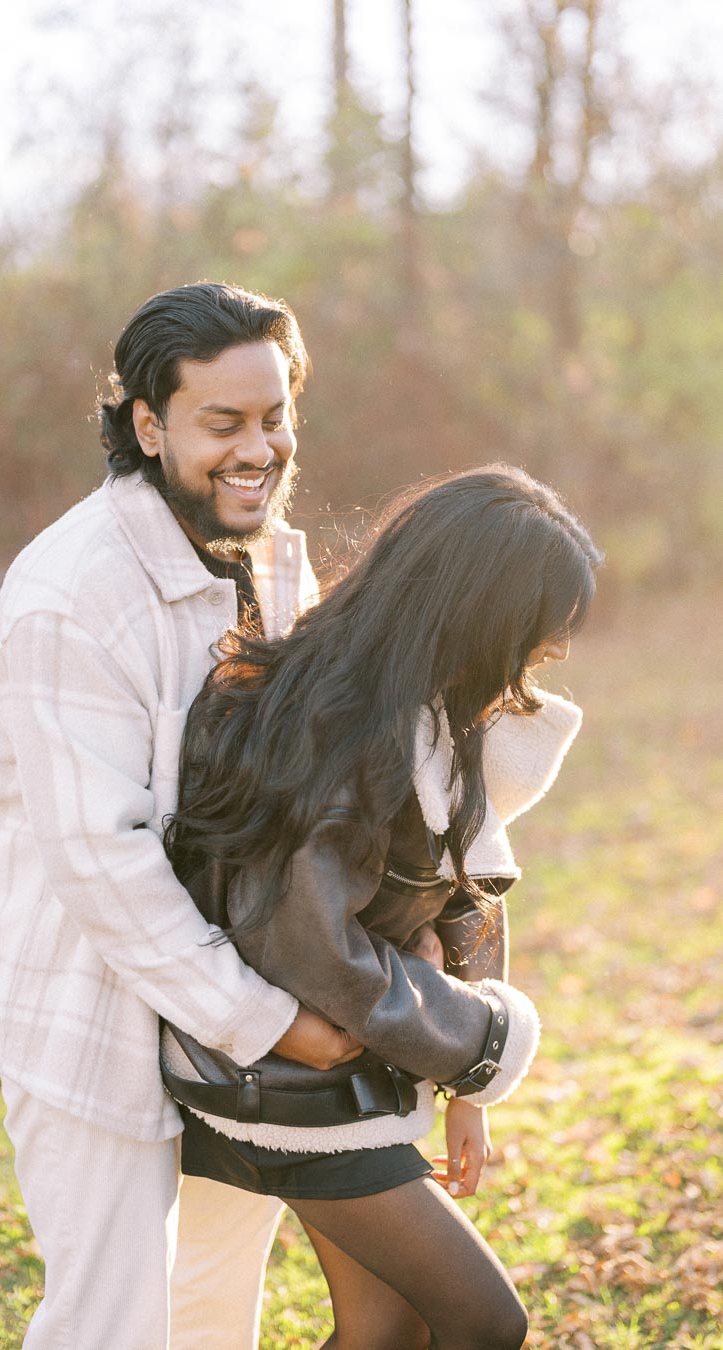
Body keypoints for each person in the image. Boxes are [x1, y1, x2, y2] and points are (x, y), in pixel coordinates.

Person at [0, 282, 363, 1350]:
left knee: (217, 1301)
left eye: (275, 417)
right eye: (222, 424)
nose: (259, 449)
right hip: (87, 999)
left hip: (234, 989)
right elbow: (104, 863)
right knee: (115, 1321)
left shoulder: (275, 556)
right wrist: (272, 1024)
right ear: (148, 424)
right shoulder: (69, 595)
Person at [161, 465, 603, 1350]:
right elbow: (306, 943)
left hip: (340, 1071)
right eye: (535, 639)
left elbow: (468, 890)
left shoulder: (433, 714)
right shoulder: (337, 722)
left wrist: (468, 1088)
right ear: (477, 619)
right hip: (280, 1080)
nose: (544, 661)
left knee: (383, 1332)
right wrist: (478, 1043)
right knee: (484, 1321)